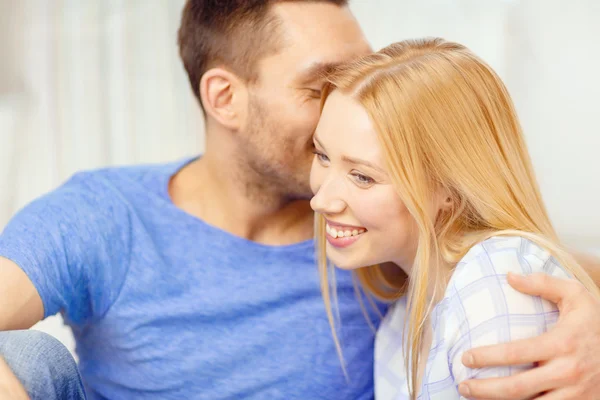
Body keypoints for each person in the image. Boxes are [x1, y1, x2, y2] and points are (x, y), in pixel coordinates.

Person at [0, 1, 598, 399]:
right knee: (31, 357)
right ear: (225, 98)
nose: (353, 104)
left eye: (360, 76)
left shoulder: (382, 234)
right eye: (321, 85)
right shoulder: (106, 217)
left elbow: (509, 251)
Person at [310, 37, 600, 399]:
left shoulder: (495, 281)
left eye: (363, 176)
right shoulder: (398, 327)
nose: (320, 200)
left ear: (448, 187)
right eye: (321, 155)